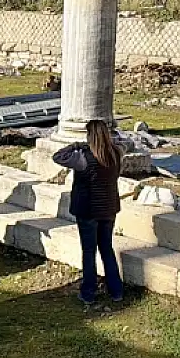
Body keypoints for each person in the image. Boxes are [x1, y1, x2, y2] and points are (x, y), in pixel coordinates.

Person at [52, 119, 125, 304]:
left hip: (87, 210)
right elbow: (126, 144)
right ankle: (116, 291)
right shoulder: (116, 153)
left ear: (88, 136)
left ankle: (88, 292)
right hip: (108, 209)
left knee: (89, 252)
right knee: (107, 249)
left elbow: (57, 156)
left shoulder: (82, 157)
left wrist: (76, 144)